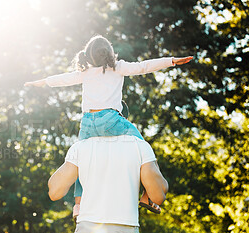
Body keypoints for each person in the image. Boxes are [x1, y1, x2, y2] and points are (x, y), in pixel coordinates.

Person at [25, 35, 192, 217]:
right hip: (111, 120)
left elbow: (63, 79)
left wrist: (41, 82)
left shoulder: (85, 71)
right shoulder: (117, 67)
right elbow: (144, 66)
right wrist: (171, 61)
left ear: (88, 56)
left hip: (88, 123)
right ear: (110, 53)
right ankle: (147, 195)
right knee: (143, 149)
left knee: (81, 163)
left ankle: (79, 205)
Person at [48, 134, 169, 233]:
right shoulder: (139, 145)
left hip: (85, 232)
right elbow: (158, 196)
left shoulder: (80, 147)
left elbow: (54, 192)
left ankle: (79, 207)